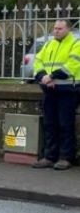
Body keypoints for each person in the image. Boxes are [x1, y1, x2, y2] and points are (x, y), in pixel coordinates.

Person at [32, 19, 80, 170]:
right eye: (55, 28)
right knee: (49, 124)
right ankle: (49, 156)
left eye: (59, 28)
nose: (56, 31)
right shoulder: (49, 44)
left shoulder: (75, 44)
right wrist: (43, 78)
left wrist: (51, 76)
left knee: (65, 124)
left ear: (68, 30)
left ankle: (66, 157)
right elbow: (37, 62)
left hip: (67, 91)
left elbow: (71, 66)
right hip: (49, 90)